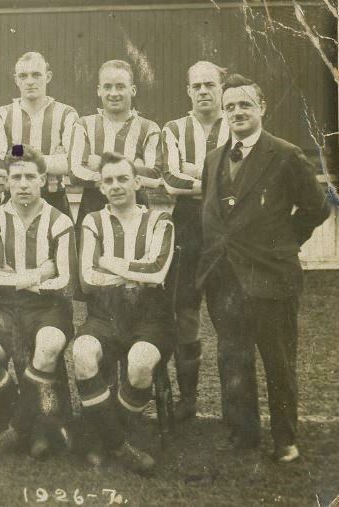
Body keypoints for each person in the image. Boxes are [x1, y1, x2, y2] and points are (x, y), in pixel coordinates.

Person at [197, 74, 330, 463]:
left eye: (245, 105)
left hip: (271, 278)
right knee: (232, 357)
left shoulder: (285, 154)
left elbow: (318, 208)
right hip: (224, 280)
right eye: (231, 106)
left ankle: (285, 439)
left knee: (278, 360)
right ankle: (243, 433)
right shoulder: (212, 159)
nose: (237, 112)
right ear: (224, 112)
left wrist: (283, 243)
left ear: (262, 108)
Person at [0, 145, 76, 462]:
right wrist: (41, 272)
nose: (24, 184)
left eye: (30, 177)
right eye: (17, 178)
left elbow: (67, 284)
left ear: (43, 179)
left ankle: (14, 431)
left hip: (49, 311)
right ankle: (33, 422)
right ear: (7, 183)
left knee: (48, 344)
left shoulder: (60, 221)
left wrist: (16, 277)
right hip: (4, 310)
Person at [72, 152, 175, 474]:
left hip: (151, 316)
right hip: (106, 314)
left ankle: (100, 436)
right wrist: (132, 274)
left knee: (141, 364)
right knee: (82, 351)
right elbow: (88, 279)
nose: (115, 186)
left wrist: (109, 262)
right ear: (100, 187)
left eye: (122, 178)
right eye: (108, 181)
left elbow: (157, 271)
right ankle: (119, 444)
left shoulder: (160, 221)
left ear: (137, 182)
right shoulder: (92, 220)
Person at [160, 61, 230, 423]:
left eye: (209, 84)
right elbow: (171, 180)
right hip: (187, 224)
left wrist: (194, 170)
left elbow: (243, 175)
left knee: (230, 313)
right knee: (185, 311)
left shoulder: (235, 123)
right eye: (196, 85)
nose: (203, 90)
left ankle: (236, 406)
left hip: (228, 227)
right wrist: (218, 178)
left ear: (222, 87)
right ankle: (188, 399)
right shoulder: (173, 128)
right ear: (187, 91)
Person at [69, 60, 162, 229]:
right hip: (93, 205)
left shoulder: (149, 128)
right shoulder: (84, 124)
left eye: (120, 86)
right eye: (107, 87)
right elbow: (75, 172)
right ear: (99, 90)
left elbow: (154, 174)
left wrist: (101, 164)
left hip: (136, 207)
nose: (113, 93)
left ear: (132, 90)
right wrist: (132, 167)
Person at [0, 52, 78, 214]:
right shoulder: (3, 114)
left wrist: (17, 151)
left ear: (48, 77)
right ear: (16, 80)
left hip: (54, 198)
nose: (30, 81)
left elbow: (72, 162)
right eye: (23, 76)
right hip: (14, 196)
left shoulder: (66, 113)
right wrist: (50, 159)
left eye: (36, 75)